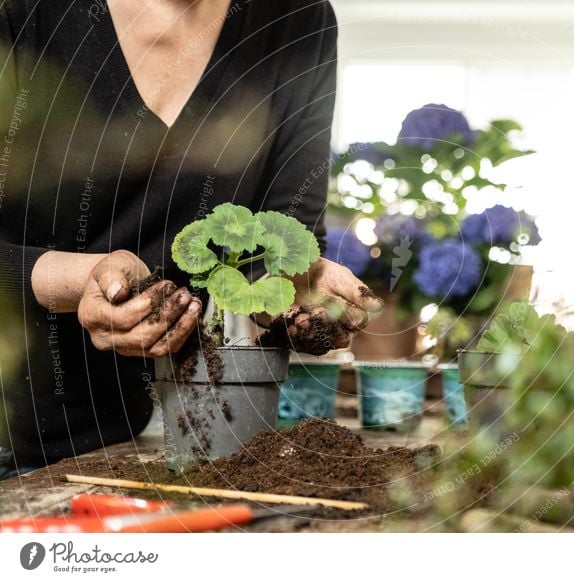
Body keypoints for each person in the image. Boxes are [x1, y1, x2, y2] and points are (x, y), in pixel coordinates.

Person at [0, 0, 380, 478]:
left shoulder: (297, 18)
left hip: (108, 443)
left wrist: (299, 290)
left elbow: (286, 237)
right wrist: (80, 279)